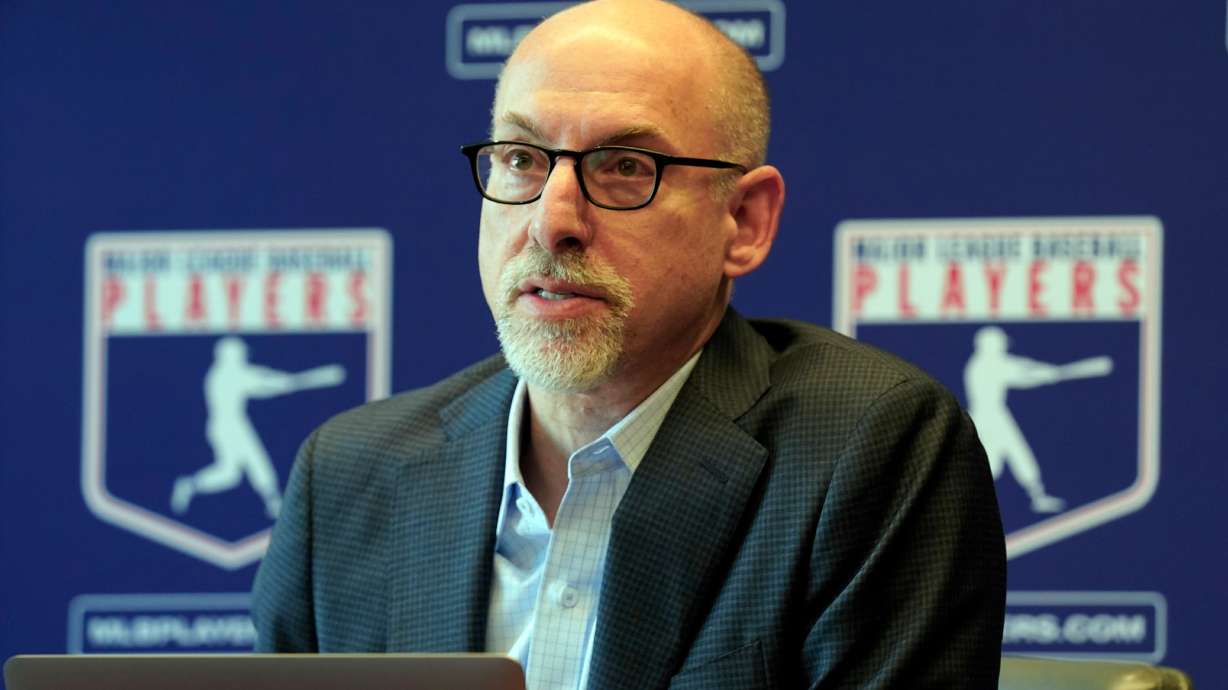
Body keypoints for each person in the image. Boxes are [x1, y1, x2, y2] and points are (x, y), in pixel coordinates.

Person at [252, 1, 1006, 688]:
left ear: (743, 222)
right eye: (521, 158)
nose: (552, 222)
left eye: (624, 168)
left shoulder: (867, 451)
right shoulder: (349, 475)